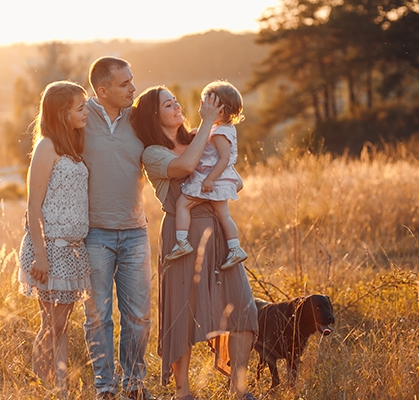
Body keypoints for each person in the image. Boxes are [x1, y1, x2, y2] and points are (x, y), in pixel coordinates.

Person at [130, 86, 259, 400]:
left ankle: (239, 388)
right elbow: (186, 167)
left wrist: (222, 172)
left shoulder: (199, 137)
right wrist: (206, 124)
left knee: (243, 306)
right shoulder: (152, 153)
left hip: (217, 229)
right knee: (181, 312)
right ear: (153, 115)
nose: (177, 106)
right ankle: (182, 391)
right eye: (168, 103)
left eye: (175, 100)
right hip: (181, 234)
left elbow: (234, 175)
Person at [81, 56, 155, 400]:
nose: (132, 88)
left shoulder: (139, 119)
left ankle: (135, 385)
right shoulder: (80, 118)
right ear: (103, 89)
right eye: (124, 84)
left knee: (138, 317)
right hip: (94, 234)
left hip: (135, 232)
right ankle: (105, 388)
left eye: (132, 80)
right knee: (98, 318)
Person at [17, 80, 92, 394]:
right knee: (52, 324)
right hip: (49, 250)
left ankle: (60, 388)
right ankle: (41, 385)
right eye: (80, 107)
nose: (86, 112)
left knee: (62, 326)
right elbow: (33, 206)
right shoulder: (46, 147)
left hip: (73, 251)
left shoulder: (73, 146)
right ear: (62, 113)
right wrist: (41, 256)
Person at [166, 80, 248, 271]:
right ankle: (235, 248)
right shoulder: (222, 129)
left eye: (205, 104)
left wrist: (210, 179)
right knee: (223, 215)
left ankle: (182, 242)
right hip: (218, 179)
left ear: (219, 111)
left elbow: (224, 159)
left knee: (182, 204)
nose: (201, 107)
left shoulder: (219, 134)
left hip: (211, 179)